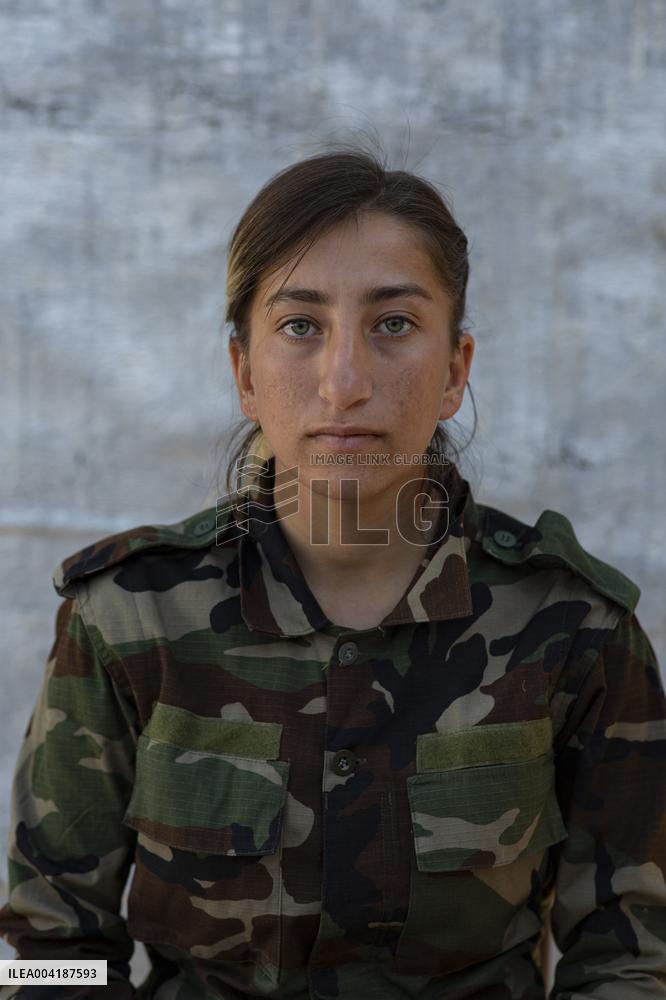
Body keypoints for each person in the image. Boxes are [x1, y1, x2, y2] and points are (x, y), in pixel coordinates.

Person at [1, 147, 665, 1000]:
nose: (344, 382)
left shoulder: (575, 630)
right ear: (245, 372)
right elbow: (53, 948)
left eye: (393, 324)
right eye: (300, 325)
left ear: (456, 369)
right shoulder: (131, 618)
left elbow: (632, 960)